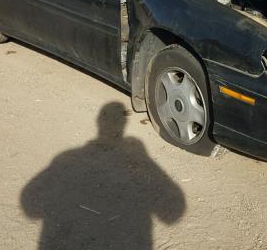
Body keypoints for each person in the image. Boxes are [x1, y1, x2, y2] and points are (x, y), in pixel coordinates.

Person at [21, 101, 186, 249]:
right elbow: (173, 213)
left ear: (98, 122)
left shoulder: (66, 157)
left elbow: (30, 205)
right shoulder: (138, 154)